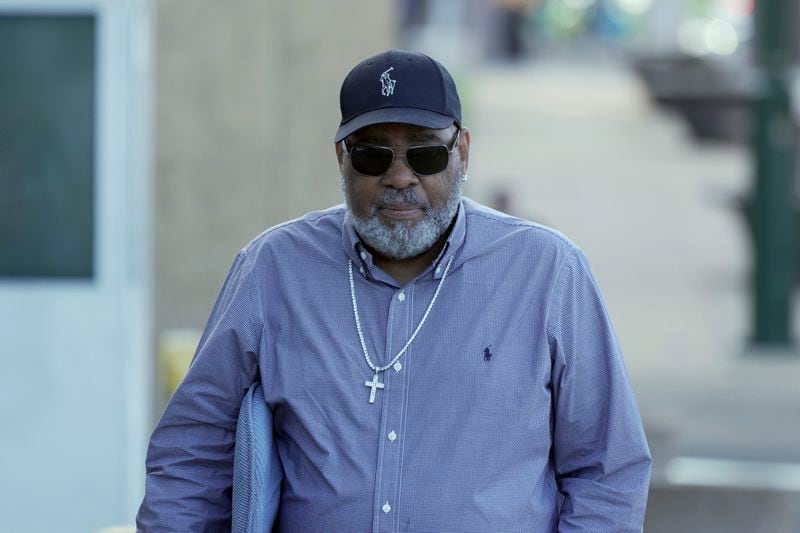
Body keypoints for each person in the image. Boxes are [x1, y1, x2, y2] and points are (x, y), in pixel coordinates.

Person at [137, 49, 651, 532]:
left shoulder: (548, 271)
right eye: (372, 156)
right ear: (342, 157)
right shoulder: (272, 269)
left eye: (425, 155)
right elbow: (193, 450)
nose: (400, 176)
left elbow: (608, 469)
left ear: (462, 152)